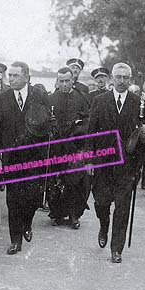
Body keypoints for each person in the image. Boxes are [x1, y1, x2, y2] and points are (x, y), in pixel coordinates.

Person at [87, 62, 145, 263]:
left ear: (130, 80)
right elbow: (90, 132)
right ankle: (104, 225)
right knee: (101, 202)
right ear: (112, 78)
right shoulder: (99, 101)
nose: (121, 81)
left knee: (122, 207)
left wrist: (142, 139)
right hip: (103, 162)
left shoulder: (137, 102)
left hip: (127, 165)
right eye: (118, 77)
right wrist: (89, 159)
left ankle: (116, 248)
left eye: (125, 78)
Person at [0, 61, 50, 255]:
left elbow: (48, 121)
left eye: (16, 75)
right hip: (12, 158)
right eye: (10, 76)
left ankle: (27, 222)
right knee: (13, 199)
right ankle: (15, 240)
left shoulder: (39, 95)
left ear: (26, 76)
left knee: (33, 197)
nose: (12, 79)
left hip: (35, 156)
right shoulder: (2, 98)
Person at [47, 67, 91, 228]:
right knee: (55, 180)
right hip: (55, 147)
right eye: (61, 81)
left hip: (75, 146)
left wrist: (78, 131)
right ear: (57, 81)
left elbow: (88, 121)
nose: (64, 84)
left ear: (73, 80)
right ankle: (57, 213)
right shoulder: (50, 99)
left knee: (75, 181)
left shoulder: (82, 98)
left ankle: (74, 215)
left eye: (67, 81)